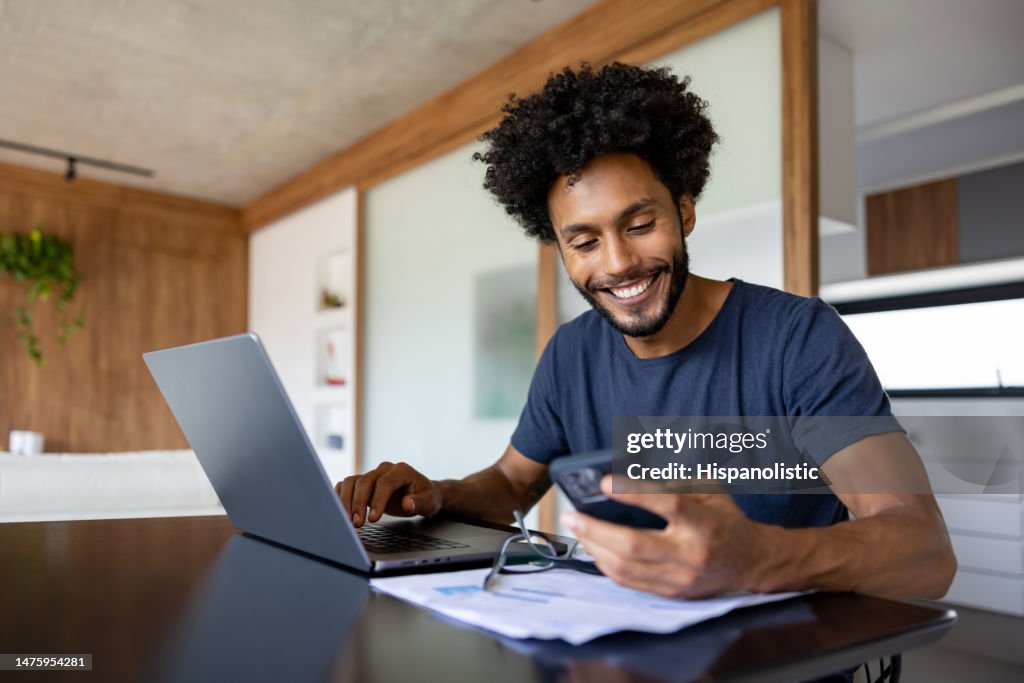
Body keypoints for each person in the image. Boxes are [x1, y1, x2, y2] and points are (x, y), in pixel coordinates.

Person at [337, 62, 955, 601]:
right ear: (559, 249)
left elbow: (923, 548)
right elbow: (509, 485)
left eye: (638, 224)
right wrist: (435, 496)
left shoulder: (798, 338)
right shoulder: (571, 355)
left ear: (684, 210)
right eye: (583, 241)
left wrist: (758, 558)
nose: (617, 264)